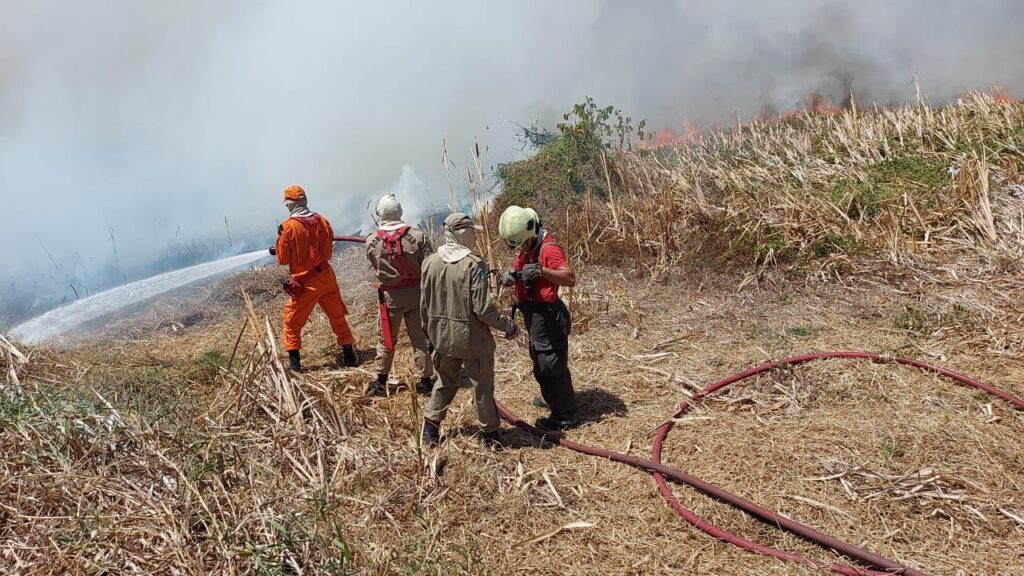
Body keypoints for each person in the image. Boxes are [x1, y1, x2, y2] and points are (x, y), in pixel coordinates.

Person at [420, 213, 519, 447]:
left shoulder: (430, 262)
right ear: (463, 233)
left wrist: (429, 335)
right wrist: (508, 325)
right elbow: (483, 309)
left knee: (445, 381)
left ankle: (430, 428)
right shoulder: (473, 264)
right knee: (481, 386)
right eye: (472, 232)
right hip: (472, 339)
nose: (474, 236)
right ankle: (490, 435)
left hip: (442, 336)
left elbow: (423, 305)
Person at [498, 205, 578, 430]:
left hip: (549, 315)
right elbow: (519, 269)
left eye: (522, 243)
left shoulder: (548, 250)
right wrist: (512, 277)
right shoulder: (528, 247)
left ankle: (565, 415)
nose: (521, 248)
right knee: (541, 360)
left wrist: (542, 271)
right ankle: (556, 402)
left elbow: (569, 278)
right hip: (534, 313)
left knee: (550, 364)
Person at [270, 185, 358, 372]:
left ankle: (294, 365)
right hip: (327, 277)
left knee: (292, 322)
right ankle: (349, 356)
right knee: (337, 317)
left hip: (305, 284)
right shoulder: (322, 220)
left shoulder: (287, 228)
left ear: (289, 204)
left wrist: (279, 248)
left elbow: (283, 259)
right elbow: (327, 252)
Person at [365, 193, 434, 396]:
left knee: (386, 339)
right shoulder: (418, 236)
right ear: (400, 211)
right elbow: (429, 265)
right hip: (416, 294)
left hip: (390, 298)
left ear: (380, 213)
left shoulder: (371, 240)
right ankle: (427, 381)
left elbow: (374, 265)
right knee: (420, 339)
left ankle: (380, 380)